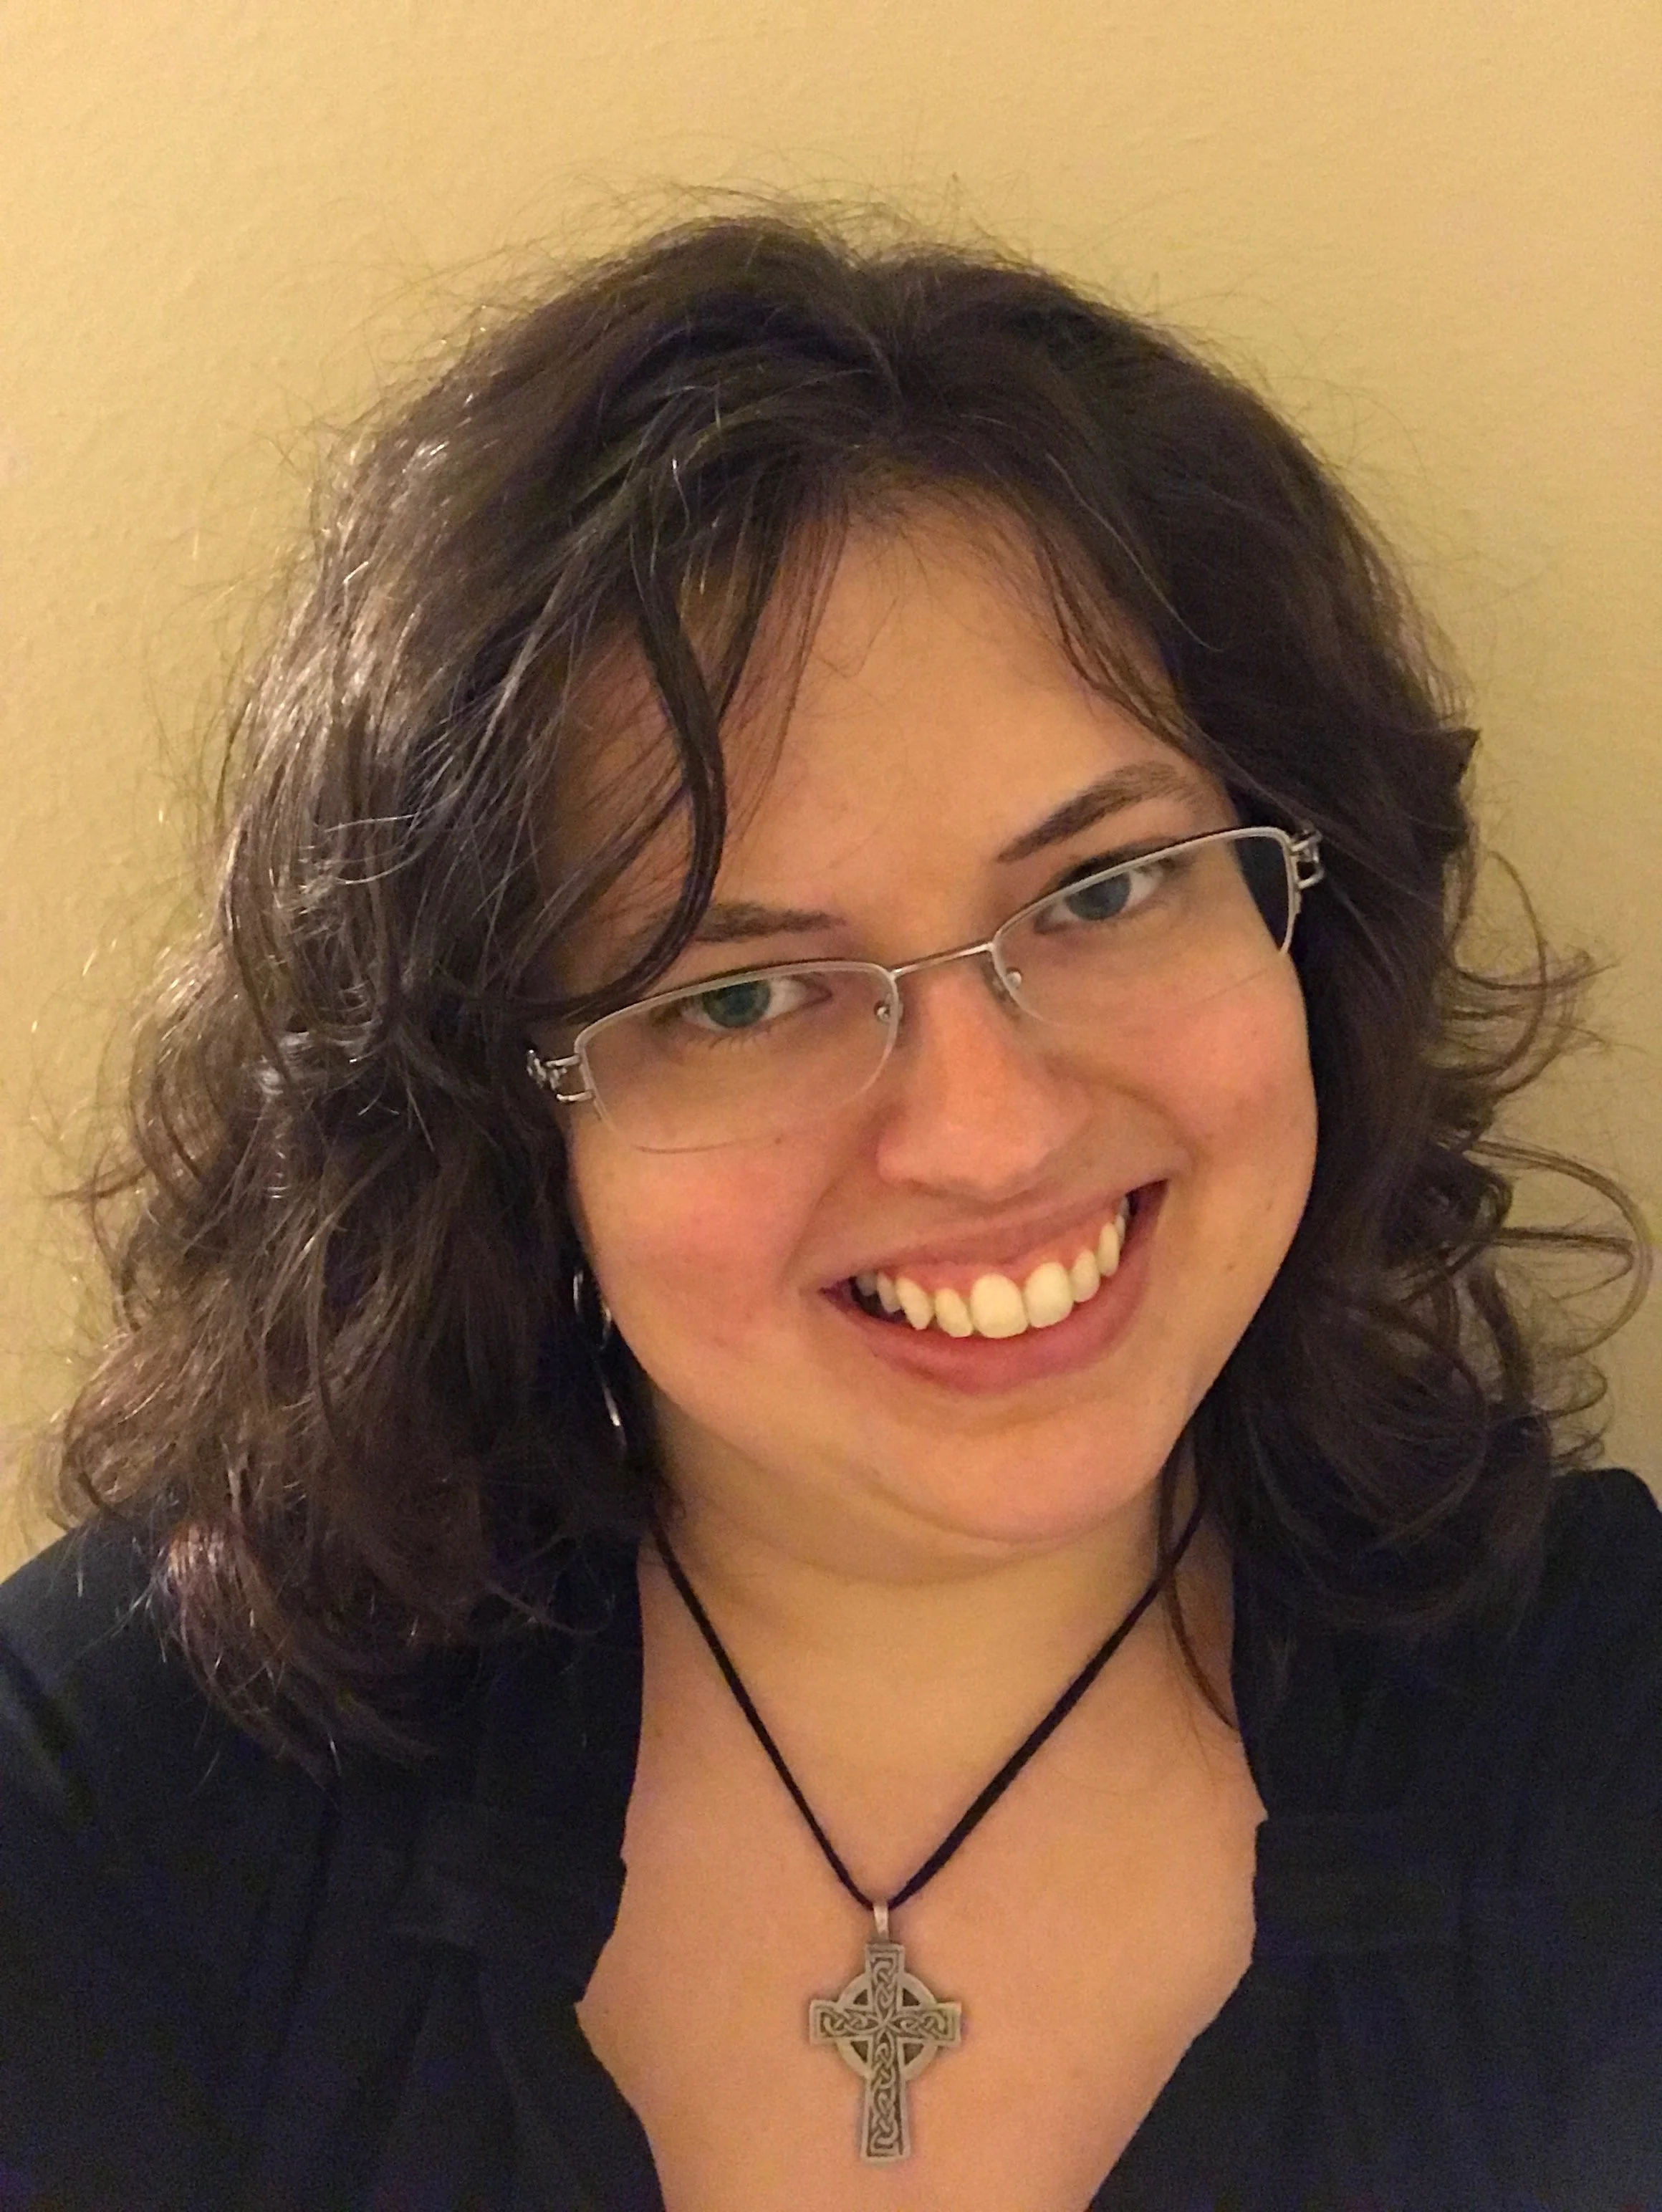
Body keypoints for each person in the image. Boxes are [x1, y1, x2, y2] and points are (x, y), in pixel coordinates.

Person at [0, 208, 1655, 2212]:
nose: (986, 1134)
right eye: (741, 996)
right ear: (496, 1123)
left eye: (1106, 887)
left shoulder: (1608, 1736)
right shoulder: (118, 1798)